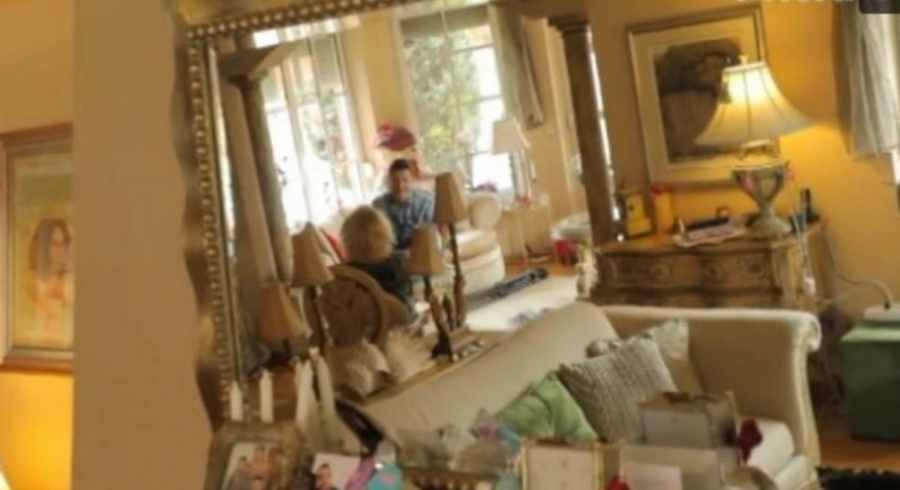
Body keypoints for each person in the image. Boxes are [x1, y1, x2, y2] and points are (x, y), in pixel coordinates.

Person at [340, 206, 414, 316]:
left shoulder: (343, 274)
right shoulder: (397, 264)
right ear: (385, 234)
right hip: (397, 323)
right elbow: (407, 304)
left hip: (357, 325)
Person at [372, 159, 434, 251]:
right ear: (389, 182)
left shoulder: (425, 202)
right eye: (395, 181)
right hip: (391, 254)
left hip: (422, 252)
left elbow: (434, 235)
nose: (400, 186)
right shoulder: (379, 206)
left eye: (405, 181)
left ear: (412, 180)